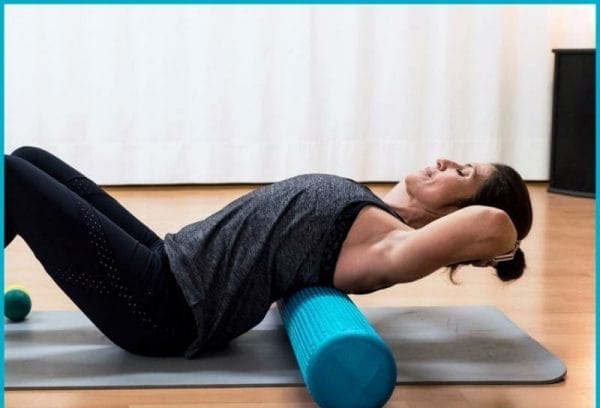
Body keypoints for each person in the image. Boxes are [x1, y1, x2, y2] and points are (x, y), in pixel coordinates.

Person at [4, 146, 532, 358]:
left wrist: (502, 253)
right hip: (165, 258)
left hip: (163, 308)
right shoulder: (374, 210)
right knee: (28, 158)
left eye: (463, 173)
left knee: (11, 177)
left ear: (461, 213)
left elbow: (497, 224)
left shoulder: (390, 245)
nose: (445, 160)